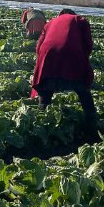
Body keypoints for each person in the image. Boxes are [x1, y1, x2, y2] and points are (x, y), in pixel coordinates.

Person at [31, 8, 98, 140]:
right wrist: (82, 58)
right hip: (72, 57)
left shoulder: (50, 22)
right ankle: (91, 130)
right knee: (84, 93)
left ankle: (41, 128)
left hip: (48, 55)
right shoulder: (80, 20)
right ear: (72, 14)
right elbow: (88, 45)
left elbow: (38, 47)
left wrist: (44, 62)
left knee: (46, 92)